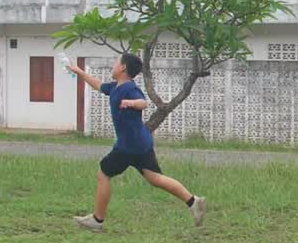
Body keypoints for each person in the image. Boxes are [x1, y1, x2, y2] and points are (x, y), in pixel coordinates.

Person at [65, 53, 206, 232]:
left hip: (129, 145)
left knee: (103, 174)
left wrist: (131, 103)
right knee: (155, 178)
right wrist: (78, 71)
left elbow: (143, 103)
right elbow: (98, 85)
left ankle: (97, 220)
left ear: (123, 68)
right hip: (141, 142)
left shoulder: (129, 88)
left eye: (116, 62)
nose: (113, 65)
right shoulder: (116, 86)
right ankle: (194, 202)